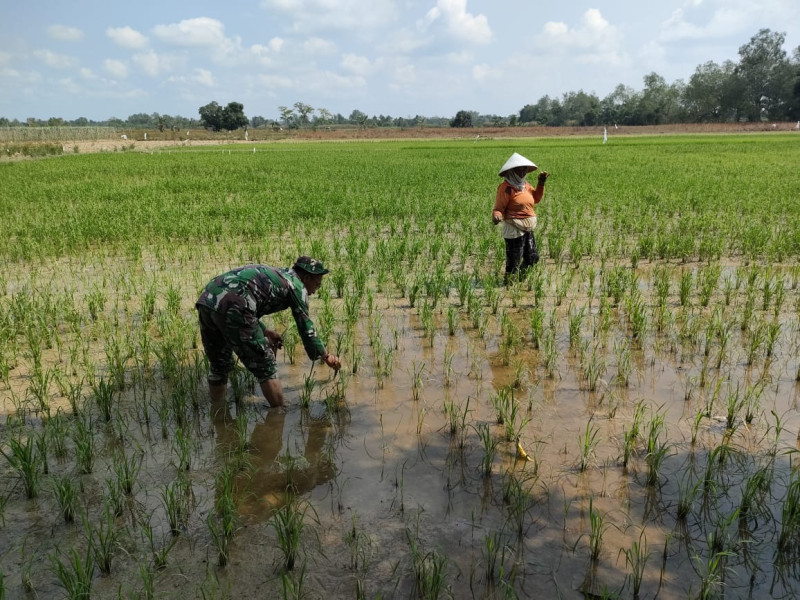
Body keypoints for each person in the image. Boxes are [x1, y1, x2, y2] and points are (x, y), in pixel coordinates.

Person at [195, 256, 341, 408]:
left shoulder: (281, 274)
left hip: (208, 299)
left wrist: (264, 331)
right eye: (317, 285)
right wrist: (326, 356)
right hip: (234, 303)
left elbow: (243, 299)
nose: (314, 292)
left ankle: (218, 411)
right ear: (306, 277)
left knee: (219, 364)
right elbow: (306, 329)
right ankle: (279, 414)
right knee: (266, 364)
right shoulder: (297, 286)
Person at [491, 152, 549, 284]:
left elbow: (536, 199)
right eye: (519, 169)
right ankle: (508, 286)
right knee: (513, 263)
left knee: (532, 258)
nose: (523, 172)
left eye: (524, 169)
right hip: (514, 230)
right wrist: (497, 216)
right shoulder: (506, 188)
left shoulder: (525, 185)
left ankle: (519, 282)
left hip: (527, 228)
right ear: (512, 171)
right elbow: (498, 208)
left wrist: (540, 183)